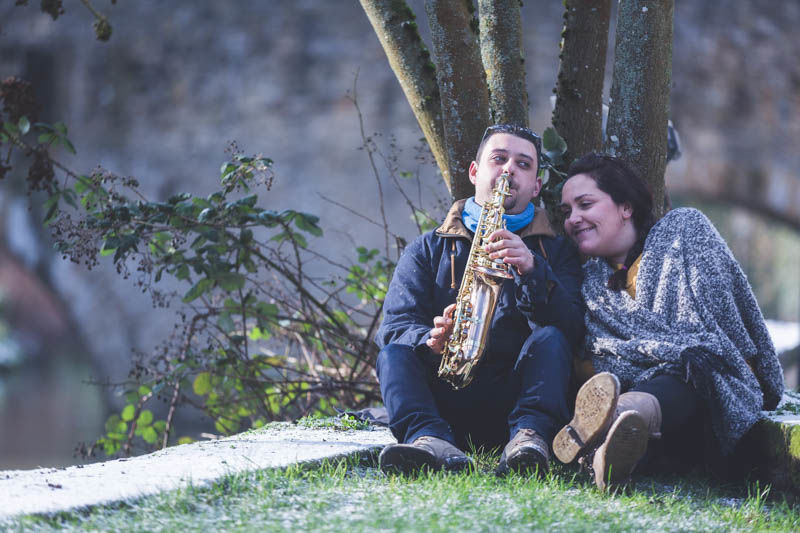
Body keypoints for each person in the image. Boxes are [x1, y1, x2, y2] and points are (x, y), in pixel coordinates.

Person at [555, 152, 784, 489]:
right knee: (657, 381)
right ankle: (605, 455)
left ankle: (613, 418)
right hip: (660, 429)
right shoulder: (589, 283)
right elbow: (601, 353)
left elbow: (722, 335)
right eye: (566, 212)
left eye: (585, 205)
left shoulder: (684, 232)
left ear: (626, 207)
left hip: (709, 401)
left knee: (690, 364)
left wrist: (666, 355)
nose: (573, 219)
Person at [375, 124, 584, 476]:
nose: (508, 170)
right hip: (444, 401)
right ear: (475, 172)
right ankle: (427, 441)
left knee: (552, 338)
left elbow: (575, 331)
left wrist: (534, 270)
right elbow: (394, 328)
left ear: (536, 186)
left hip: (519, 402)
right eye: (499, 159)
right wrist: (430, 340)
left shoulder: (558, 252)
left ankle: (529, 442)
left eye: (523, 164)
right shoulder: (428, 249)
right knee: (393, 352)